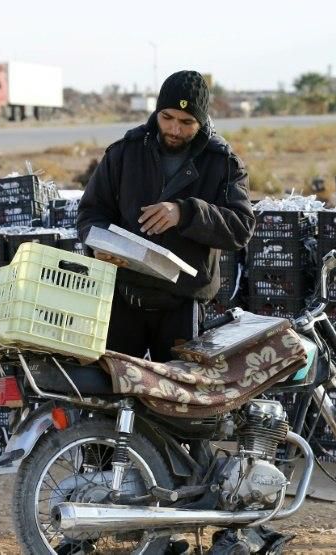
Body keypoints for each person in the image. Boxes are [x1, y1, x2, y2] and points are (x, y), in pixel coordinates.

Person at [77, 69, 254, 362]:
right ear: (157, 111)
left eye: (186, 123)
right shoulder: (125, 152)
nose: (174, 129)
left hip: (182, 304)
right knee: (115, 396)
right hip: (123, 296)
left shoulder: (223, 162)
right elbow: (91, 211)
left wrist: (186, 213)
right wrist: (99, 244)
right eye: (167, 117)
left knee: (177, 400)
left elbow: (241, 227)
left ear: (202, 121)